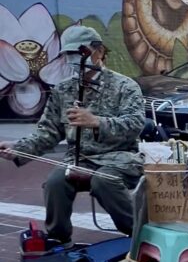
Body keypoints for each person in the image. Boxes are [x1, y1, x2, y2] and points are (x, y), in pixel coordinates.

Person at [0, 26, 145, 244]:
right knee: (55, 183)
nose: (72, 59)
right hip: (79, 160)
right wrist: (19, 148)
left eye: (78, 52)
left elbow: (135, 124)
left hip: (118, 158)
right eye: (67, 55)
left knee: (103, 182)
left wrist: (97, 122)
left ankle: (140, 235)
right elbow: (48, 132)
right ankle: (59, 240)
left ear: (98, 51)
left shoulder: (125, 85)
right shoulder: (63, 90)